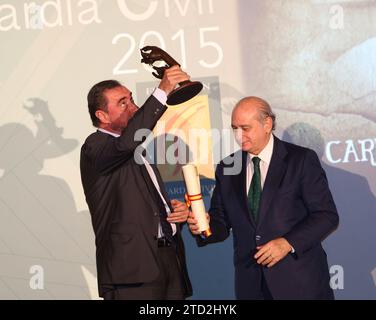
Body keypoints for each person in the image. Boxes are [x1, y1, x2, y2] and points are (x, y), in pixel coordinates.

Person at [188, 97, 339, 300]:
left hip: (300, 283)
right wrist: (203, 226)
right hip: (251, 285)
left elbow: (326, 216)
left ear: (267, 124)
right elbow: (221, 222)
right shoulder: (228, 167)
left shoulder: (301, 160)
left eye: (245, 128)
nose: (239, 136)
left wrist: (287, 243)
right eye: (234, 129)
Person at [80, 66, 192, 300]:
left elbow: (141, 205)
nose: (133, 106)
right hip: (132, 273)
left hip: (168, 262)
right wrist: (162, 91)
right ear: (102, 115)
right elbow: (126, 144)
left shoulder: (138, 152)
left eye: (131, 99)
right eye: (122, 103)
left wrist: (174, 212)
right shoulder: (96, 146)